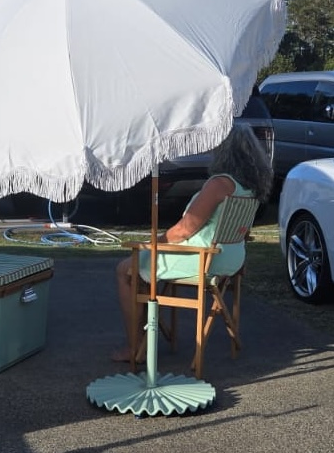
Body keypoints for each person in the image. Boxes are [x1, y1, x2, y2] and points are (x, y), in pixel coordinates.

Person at [111, 123, 274, 362]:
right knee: (143, 272)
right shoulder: (250, 188)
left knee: (126, 269)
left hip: (200, 258)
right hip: (231, 258)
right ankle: (151, 335)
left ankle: (135, 347)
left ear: (224, 150)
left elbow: (186, 228)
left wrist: (155, 242)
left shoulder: (220, 184)